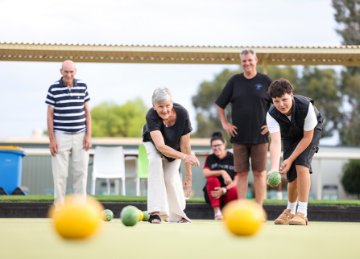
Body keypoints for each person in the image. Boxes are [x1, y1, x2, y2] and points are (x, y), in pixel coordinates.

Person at [215, 49, 272, 205]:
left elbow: (279, 104)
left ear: (256, 60)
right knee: (241, 174)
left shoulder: (266, 81)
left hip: (260, 137)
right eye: (244, 61)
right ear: (241, 62)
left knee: (260, 173)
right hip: (239, 137)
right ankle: (242, 207)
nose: (247, 63)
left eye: (249, 60)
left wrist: (271, 125)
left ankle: (259, 208)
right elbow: (220, 105)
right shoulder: (234, 81)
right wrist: (225, 123)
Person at [266, 78, 323, 225]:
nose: (281, 105)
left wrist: (290, 159)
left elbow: (307, 138)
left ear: (291, 95)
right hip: (290, 135)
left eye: (284, 99)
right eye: (276, 101)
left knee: (301, 164)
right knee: (291, 175)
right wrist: (273, 169)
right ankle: (290, 211)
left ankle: (302, 212)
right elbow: (276, 142)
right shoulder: (272, 114)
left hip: (310, 133)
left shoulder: (306, 107)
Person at [142, 87, 200, 224]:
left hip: (175, 147)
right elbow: (161, 147)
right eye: (160, 106)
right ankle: (155, 213)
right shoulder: (151, 115)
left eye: (168, 105)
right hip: (153, 143)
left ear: (172, 103)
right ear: (154, 106)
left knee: (169, 179)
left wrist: (188, 175)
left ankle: (178, 215)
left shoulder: (183, 114)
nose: (165, 110)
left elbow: (186, 146)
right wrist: (185, 157)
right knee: (155, 162)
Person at [45, 60, 92, 205]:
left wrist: (88, 135)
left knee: (81, 173)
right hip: (60, 135)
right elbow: (49, 115)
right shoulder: (53, 88)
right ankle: (59, 207)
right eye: (66, 71)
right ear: (61, 72)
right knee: (60, 174)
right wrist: (52, 139)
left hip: (80, 135)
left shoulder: (83, 86)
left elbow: (87, 112)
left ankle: (80, 207)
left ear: (75, 72)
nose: (69, 74)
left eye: (71, 71)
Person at [202, 132, 238, 220]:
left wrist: (224, 189)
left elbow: (238, 180)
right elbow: (205, 173)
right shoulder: (210, 158)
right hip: (212, 194)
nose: (216, 148)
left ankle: (231, 213)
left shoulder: (234, 157)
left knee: (235, 189)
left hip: (228, 192)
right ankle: (217, 212)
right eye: (214, 146)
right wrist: (222, 172)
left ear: (224, 144)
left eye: (218, 145)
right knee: (212, 179)